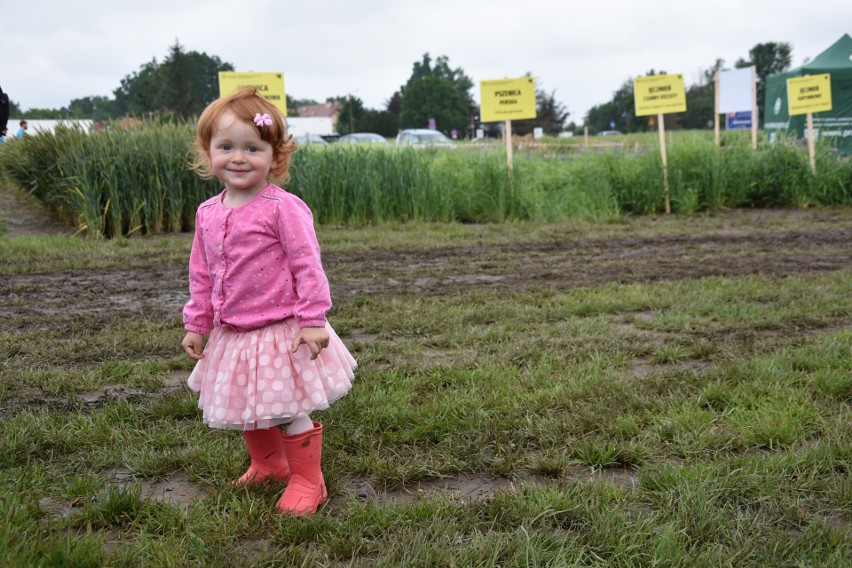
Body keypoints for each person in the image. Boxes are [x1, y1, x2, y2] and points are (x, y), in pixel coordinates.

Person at [181, 86, 356, 516]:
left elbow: (307, 267)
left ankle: (307, 480)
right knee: (247, 404)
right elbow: (201, 273)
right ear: (208, 153)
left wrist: (313, 320)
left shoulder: (283, 208)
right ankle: (269, 463)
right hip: (233, 331)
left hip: (281, 330)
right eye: (226, 147)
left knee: (286, 408)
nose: (238, 157)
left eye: (252, 148)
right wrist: (197, 322)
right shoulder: (208, 212)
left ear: (274, 156)